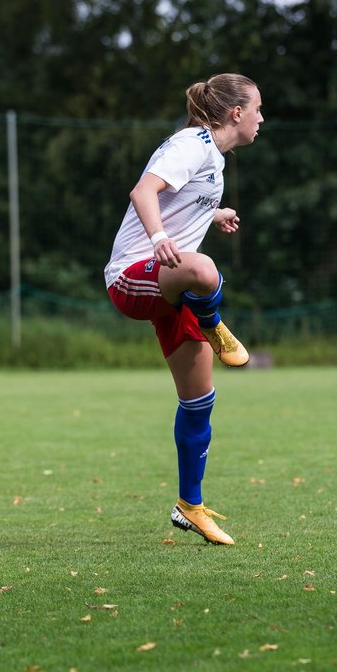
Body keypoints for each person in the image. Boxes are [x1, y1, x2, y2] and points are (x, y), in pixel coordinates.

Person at [104, 73, 261, 545]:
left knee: (199, 401)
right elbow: (143, 192)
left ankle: (189, 505)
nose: (260, 119)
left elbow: (179, 201)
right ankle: (215, 322)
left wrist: (213, 213)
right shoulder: (191, 143)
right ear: (236, 113)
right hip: (134, 276)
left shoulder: (213, 157)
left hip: (166, 290)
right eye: (257, 109)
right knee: (205, 271)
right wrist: (159, 239)